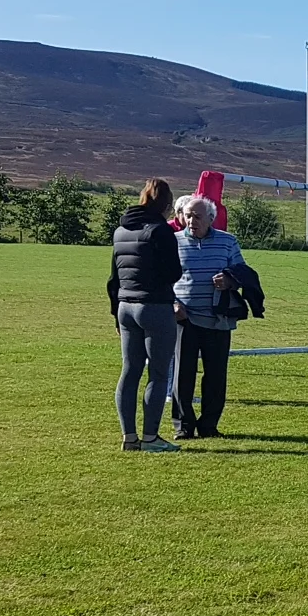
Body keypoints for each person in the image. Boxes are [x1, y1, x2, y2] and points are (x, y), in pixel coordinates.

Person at [107, 179, 184, 453]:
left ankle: (129, 436)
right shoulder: (161, 231)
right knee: (159, 374)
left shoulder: (120, 231)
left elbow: (114, 277)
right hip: (155, 306)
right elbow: (173, 272)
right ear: (166, 204)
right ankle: (150, 437)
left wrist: (115, 313)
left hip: (125, 306)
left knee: (130, 371)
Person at [171, 194, 247, 439]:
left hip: (218, 319)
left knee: (215, 375)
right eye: (188, 216)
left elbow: (242, 273)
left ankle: (209, 426)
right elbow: (161, 279)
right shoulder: (172, 242)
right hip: (185, 318)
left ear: (211, 218)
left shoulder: (227, 242)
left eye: (197, 216)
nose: (191, 221)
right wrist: (173, 305)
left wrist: (230, 281)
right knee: (183, 374)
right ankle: (183, 426)